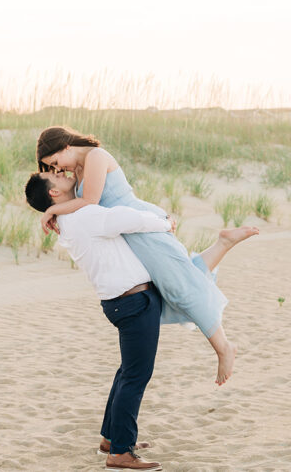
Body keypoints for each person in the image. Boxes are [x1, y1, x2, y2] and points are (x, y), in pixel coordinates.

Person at [24, 170, 255, 470]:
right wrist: (164, 223)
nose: (62, 174)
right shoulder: (83, 216)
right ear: (53, 193)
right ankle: (120, 452)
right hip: (133, 302)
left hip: (127, 301)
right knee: (135, 376)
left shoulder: (70, 218)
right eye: (54, 175)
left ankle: (112, 438)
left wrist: (55, 210)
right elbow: (125, 218)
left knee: (128, 372)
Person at [36, 125, 257, 386]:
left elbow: (92, 201)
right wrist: (57, 211)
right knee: (176, 282)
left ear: (65, 146)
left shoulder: (95, 156)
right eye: (53, 168)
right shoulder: (81, 168)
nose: (58, 170)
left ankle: (224, 348)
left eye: (55, 162)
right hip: (133, 233)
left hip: (143, 229)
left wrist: (53, 210)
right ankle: (223, 243)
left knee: (180, 288)